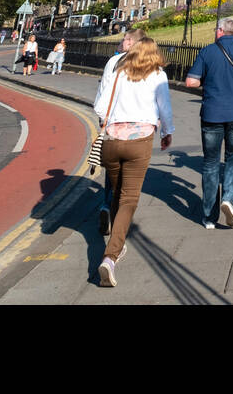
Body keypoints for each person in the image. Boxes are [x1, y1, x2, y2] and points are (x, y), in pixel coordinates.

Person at [93, 36, 173, 287]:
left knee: (118, 195)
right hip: (139, 142)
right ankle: (110, 256)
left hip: (112, 141)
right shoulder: (158, 75)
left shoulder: (119, 72)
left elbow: (99, 107)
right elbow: (165, 109)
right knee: (128, 200)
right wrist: (167, 132)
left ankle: (117, 244)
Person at [186, 17, 233, 229]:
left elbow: (190, 81)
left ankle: (209, 216)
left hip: (211, 114)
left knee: (210, 163)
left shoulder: (207, 51)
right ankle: (228, 198)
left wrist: (206, 81)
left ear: (220, 31)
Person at [96, 27, 146, 236]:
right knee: (130, 174)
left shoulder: (112, 62)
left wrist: (101, 118)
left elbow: (102, 93)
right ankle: (117, 218)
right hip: (136, 127)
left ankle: (108, 205)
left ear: (132, 43)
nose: (123, 42)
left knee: (112, 167)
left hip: (112, 124)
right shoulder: (146, 65)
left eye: (126, 40)